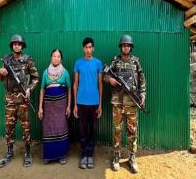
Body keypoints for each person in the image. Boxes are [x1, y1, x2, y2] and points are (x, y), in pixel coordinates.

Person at [103, 35, 146, 173]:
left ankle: (132, 157)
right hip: (118, 103)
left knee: (132, 131)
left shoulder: (136, 62)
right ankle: (116, 155)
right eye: (123, 45)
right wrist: (110, 80)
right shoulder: (115, 61)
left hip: (133, 102)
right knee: (117, 130)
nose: (125, 47)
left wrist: (143, 95)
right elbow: (105, 75)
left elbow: (142, 80)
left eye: (128, 45)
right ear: (121, 47)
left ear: (131, 47)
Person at [0, 34, 39, 168]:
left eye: (19, 44)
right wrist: (1, 73)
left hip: (23, 99)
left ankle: (27, 153)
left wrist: (29, 89)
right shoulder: (6, 60)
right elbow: (1, 79)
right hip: (10, 99)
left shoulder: (28, 60)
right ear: (12, 45)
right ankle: (9, 152)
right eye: (14, 43)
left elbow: (35, 78)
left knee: (26, 128)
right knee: (9, 128)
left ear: (22, 46)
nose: (16, 45)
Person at [73, 37, 103, 169]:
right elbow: (75, 84)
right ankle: (84, 154)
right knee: (83, 129)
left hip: (95, 102)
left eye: (90, 47)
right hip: (81, 102)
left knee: (93, 129)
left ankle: (90, 154)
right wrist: (74, 104)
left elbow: (100, 85)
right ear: (83, 48)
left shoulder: (98, 63)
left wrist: (100, 104)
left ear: (93, 48)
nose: (88, 49)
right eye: (86, 47)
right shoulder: (78, 63)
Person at [38, 49, 72, 164]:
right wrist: (40, 107)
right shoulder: (45, 72)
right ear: (51, 57)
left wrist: (68, 106)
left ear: (61, 58)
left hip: (61, 106)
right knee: (48, 129)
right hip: (48, 106)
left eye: (58, 56)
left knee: (61, 128)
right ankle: (49, 156)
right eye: (54, 56)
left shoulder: (65, 72)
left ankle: (62, 155)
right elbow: (42, 89)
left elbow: (69, 89)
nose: (56, 58)